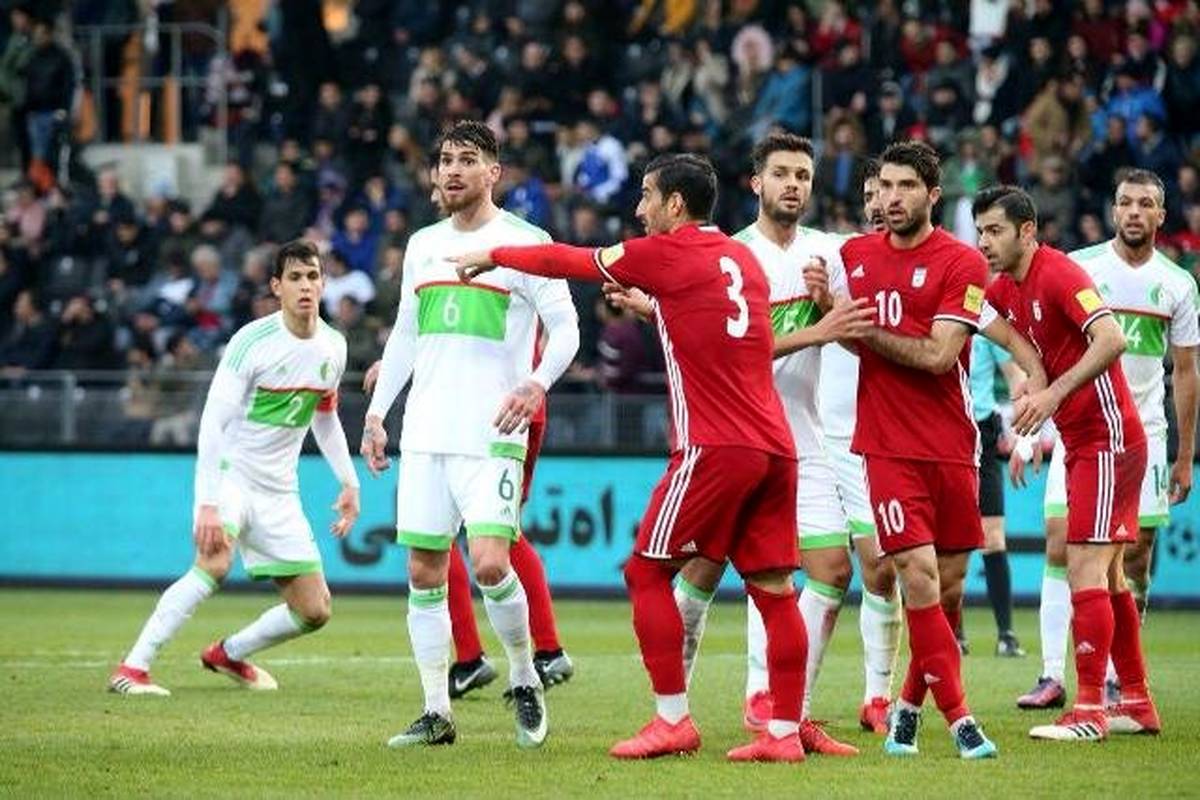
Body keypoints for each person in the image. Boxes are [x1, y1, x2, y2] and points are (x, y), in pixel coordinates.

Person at [455, 152, 814, 763]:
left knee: (645, 573)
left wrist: (496, 254)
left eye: (647, 195)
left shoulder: (666, 252)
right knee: (775, 590)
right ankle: (783, 733)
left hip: (714, 445)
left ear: (676, 203)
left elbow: (568, 260)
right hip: (775, 446)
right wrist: (655, 307)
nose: (639, 208)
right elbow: (725, 332)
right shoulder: (741, 260)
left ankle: (672, 720)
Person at [645, 133, 873, 757]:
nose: (792, 184)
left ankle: (785, 709)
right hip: (736, 433)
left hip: (807, 435)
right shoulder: (731, 254)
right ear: (756, 183)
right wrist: (817, 329)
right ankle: (672, 709)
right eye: (781, 174)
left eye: (802, 175)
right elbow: (730, 350)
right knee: (701, 570)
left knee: (830, 571)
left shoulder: (829, 254)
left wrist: (827, 307)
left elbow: (853, 337)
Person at [360, 121, 580, 749]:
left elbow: (567, 329)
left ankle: (524, 676)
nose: (453, 169)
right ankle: (437, 712)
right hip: (426, 431)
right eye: (445, 160)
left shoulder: (527, 242)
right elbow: (406, 335)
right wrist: (377, 414)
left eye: (468, 159)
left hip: (494, 431)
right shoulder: (423, 244)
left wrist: (536, 383)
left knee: (489, 561)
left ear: (494, 173)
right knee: (424, 570)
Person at [840, 141, 1045, 759]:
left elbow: (937, 355)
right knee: (918, 576)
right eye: (884, 186)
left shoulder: (961, 262)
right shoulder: (854, 256)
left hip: (955, 445)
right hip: (886, 446)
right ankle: (961, 720)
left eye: (906, 187)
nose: (891, 198)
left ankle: (906, 709)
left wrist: (863, 329)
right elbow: (846, 338)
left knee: (948, 589)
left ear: (933, 195)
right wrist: (833, 314)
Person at [108, 239, 360, 696]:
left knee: (314, 610)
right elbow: (213, 422)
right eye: (295, 278)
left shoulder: (333, 347)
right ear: (276, 286)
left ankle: (228, 653)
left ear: (324, 283)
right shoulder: (251, 342)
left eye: (313, 277)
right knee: (215, 562)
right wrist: (207, 503)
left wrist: (349, 481)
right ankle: (132, 669)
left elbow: (324, 417)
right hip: (232, 477)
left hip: (279, 491)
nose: (306, 286)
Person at [978, 184, 1158, 741]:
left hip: (1109, 439)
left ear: (1027, 231)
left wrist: (1052, 392)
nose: (984, 241)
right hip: (1083, 443)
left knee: (1084, 568)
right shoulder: (1005, 285)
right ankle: (1136, 702)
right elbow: (986, 319)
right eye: (980, 231)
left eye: (995, 231)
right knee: (1109, 576)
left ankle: (1089, 712)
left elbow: (1111, 339)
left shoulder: (1058, 274)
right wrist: (1035, 375)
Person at [1018, 169, 1198, 712]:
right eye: (1126, 202)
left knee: (1133, 558)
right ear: (1113, 210)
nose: (1135, 211)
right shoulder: (1080, 268)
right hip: (1078, 428)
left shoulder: (1177, 284)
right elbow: (1037, 341)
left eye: (1146, 203)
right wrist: (1031, 429)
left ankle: (1121, 680)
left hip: (1144, 435)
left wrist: (1184, 456)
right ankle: (1052, 674)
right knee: (1059, 541)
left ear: (1161, 215)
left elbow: (1185, 372)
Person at [816, 160, 904, 734]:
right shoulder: (835, 255)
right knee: (810, 568)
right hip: (819, 434)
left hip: (873, 437)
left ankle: (877, 694)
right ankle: (777, 696)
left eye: (888, 192)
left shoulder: (914, 267)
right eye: (871, 193)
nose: (878, 202)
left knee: (879, 566)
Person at [963, 325, 1027, 658]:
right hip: (945, 432)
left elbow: (1015, 376)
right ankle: (954, 634)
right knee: (949, 541)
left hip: (983, 434)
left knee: (993, 536)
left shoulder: (985, 323)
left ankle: (1006, 634)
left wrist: (1023, 432)